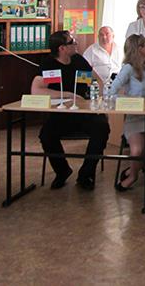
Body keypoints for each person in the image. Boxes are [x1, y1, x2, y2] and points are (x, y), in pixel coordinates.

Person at [32, 30, 110, 191]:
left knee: (102, 127)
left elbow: (97, 81)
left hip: (84, 113)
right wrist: (67, 95)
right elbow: (36, 90)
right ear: (62, 48)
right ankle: (62, 171)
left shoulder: (78, 60)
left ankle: (86, 174)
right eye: (72, 42)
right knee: (46, 135)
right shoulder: (48, 64)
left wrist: (96, 99)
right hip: (61, 114)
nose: (76, 44)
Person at [110, 34, 145, 192]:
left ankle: (135, 169)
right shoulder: (128, 68)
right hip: (135, 118)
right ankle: (133, 175)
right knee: (137, 150)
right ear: (139, 49)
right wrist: (133, 100)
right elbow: (111, 92)